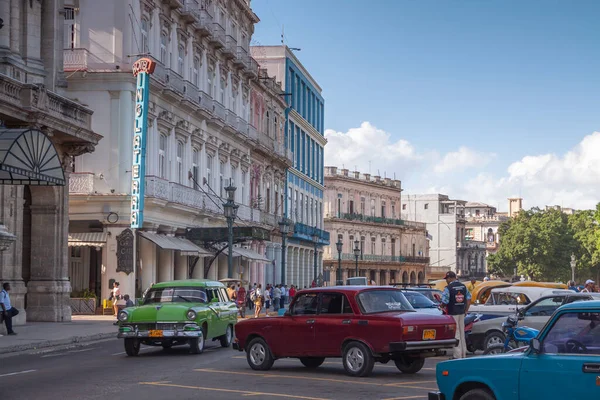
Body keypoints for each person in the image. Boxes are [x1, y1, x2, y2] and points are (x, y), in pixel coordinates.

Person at [440, 271, 471, 359]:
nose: (446, 281)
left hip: (453, 313)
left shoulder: (448, 288)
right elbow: (469, 299)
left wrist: (441, 306)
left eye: (446, 279)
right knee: (462, 333)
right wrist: (466, 310)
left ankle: (457, 356)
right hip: (462, 313)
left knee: (456, 334)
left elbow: (445, 301)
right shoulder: (463, 286)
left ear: (450, 278)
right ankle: (463, 354)